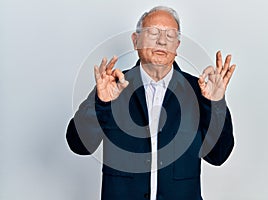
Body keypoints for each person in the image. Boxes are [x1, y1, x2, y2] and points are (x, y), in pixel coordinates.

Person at [66, 6, 236, 200]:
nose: (162, 41)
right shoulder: (112, 87)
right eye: (153, 32)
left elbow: (218, 156)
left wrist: (215, 104)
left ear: (177, 46)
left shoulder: (199, 91)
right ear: (135, 40)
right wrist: (101, 104)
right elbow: (78, 145)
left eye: (170, 36)